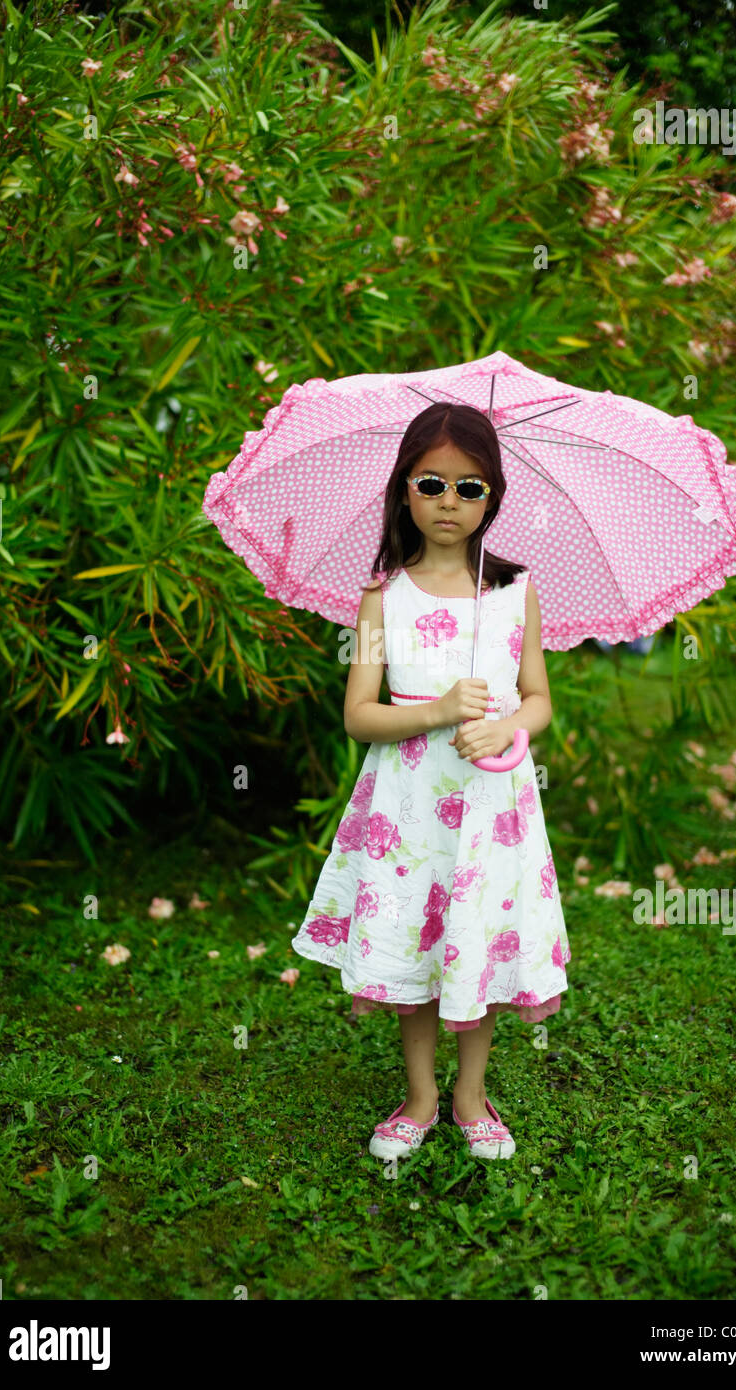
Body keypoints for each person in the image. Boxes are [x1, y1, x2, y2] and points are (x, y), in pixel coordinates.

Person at [290, 402, 571, 1162]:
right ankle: (418, 1096)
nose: (450, 502)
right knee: (419, 948)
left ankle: (470, 1096)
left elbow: (539, 698)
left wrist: (511, 726)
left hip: (491, 806)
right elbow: (358, 715)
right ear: (405, 491)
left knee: (473, 938)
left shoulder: (515, 591)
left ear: (493, 497)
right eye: (433, 483)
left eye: (471, 487)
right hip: (411, 809)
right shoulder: (384, 596)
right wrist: (438, 712)